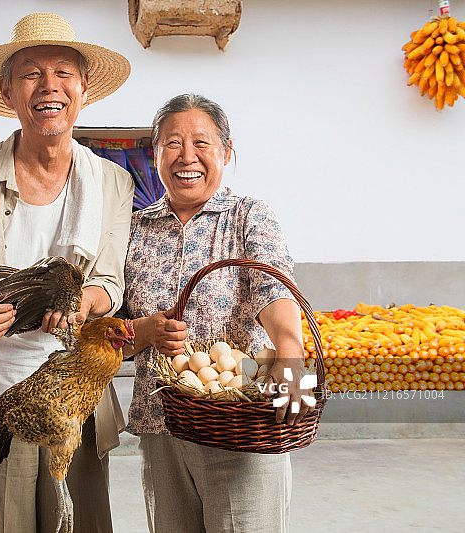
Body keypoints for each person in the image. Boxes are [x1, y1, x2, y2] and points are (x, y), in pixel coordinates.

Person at [0, 12, 134, 533]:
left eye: (63, 72)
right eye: (31, 72)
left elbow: (109, 282)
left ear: (83, 88)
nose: (49, 87)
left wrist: (82, 305)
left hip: (74, 400)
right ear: (8, 89)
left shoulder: (111, 182)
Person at [120, 94, 314, 532]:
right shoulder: (136, 230)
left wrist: (289, 348)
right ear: (155, 156)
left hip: (241, 422)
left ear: (226, 153)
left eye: (202, 143)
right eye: (172, 143)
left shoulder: (248, 216)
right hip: (163, 423)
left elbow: (274, 286)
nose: (187, 156)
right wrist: (145, 333)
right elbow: (113, 328)